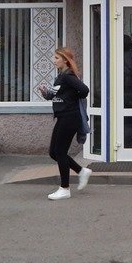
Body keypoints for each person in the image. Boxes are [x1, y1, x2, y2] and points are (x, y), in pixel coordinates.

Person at [38, 47, 93, 200]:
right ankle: (81, 171)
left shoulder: (68, 76)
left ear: (65, 60)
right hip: (63, 117)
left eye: (56, 58)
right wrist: (45, 93)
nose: (54, 60)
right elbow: (56, 96)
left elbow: (84, 90)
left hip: (70, 117)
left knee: (60, 152)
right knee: (53, 152)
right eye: (54, 57)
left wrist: (72, 98)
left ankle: (65, 188)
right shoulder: (61, 77)